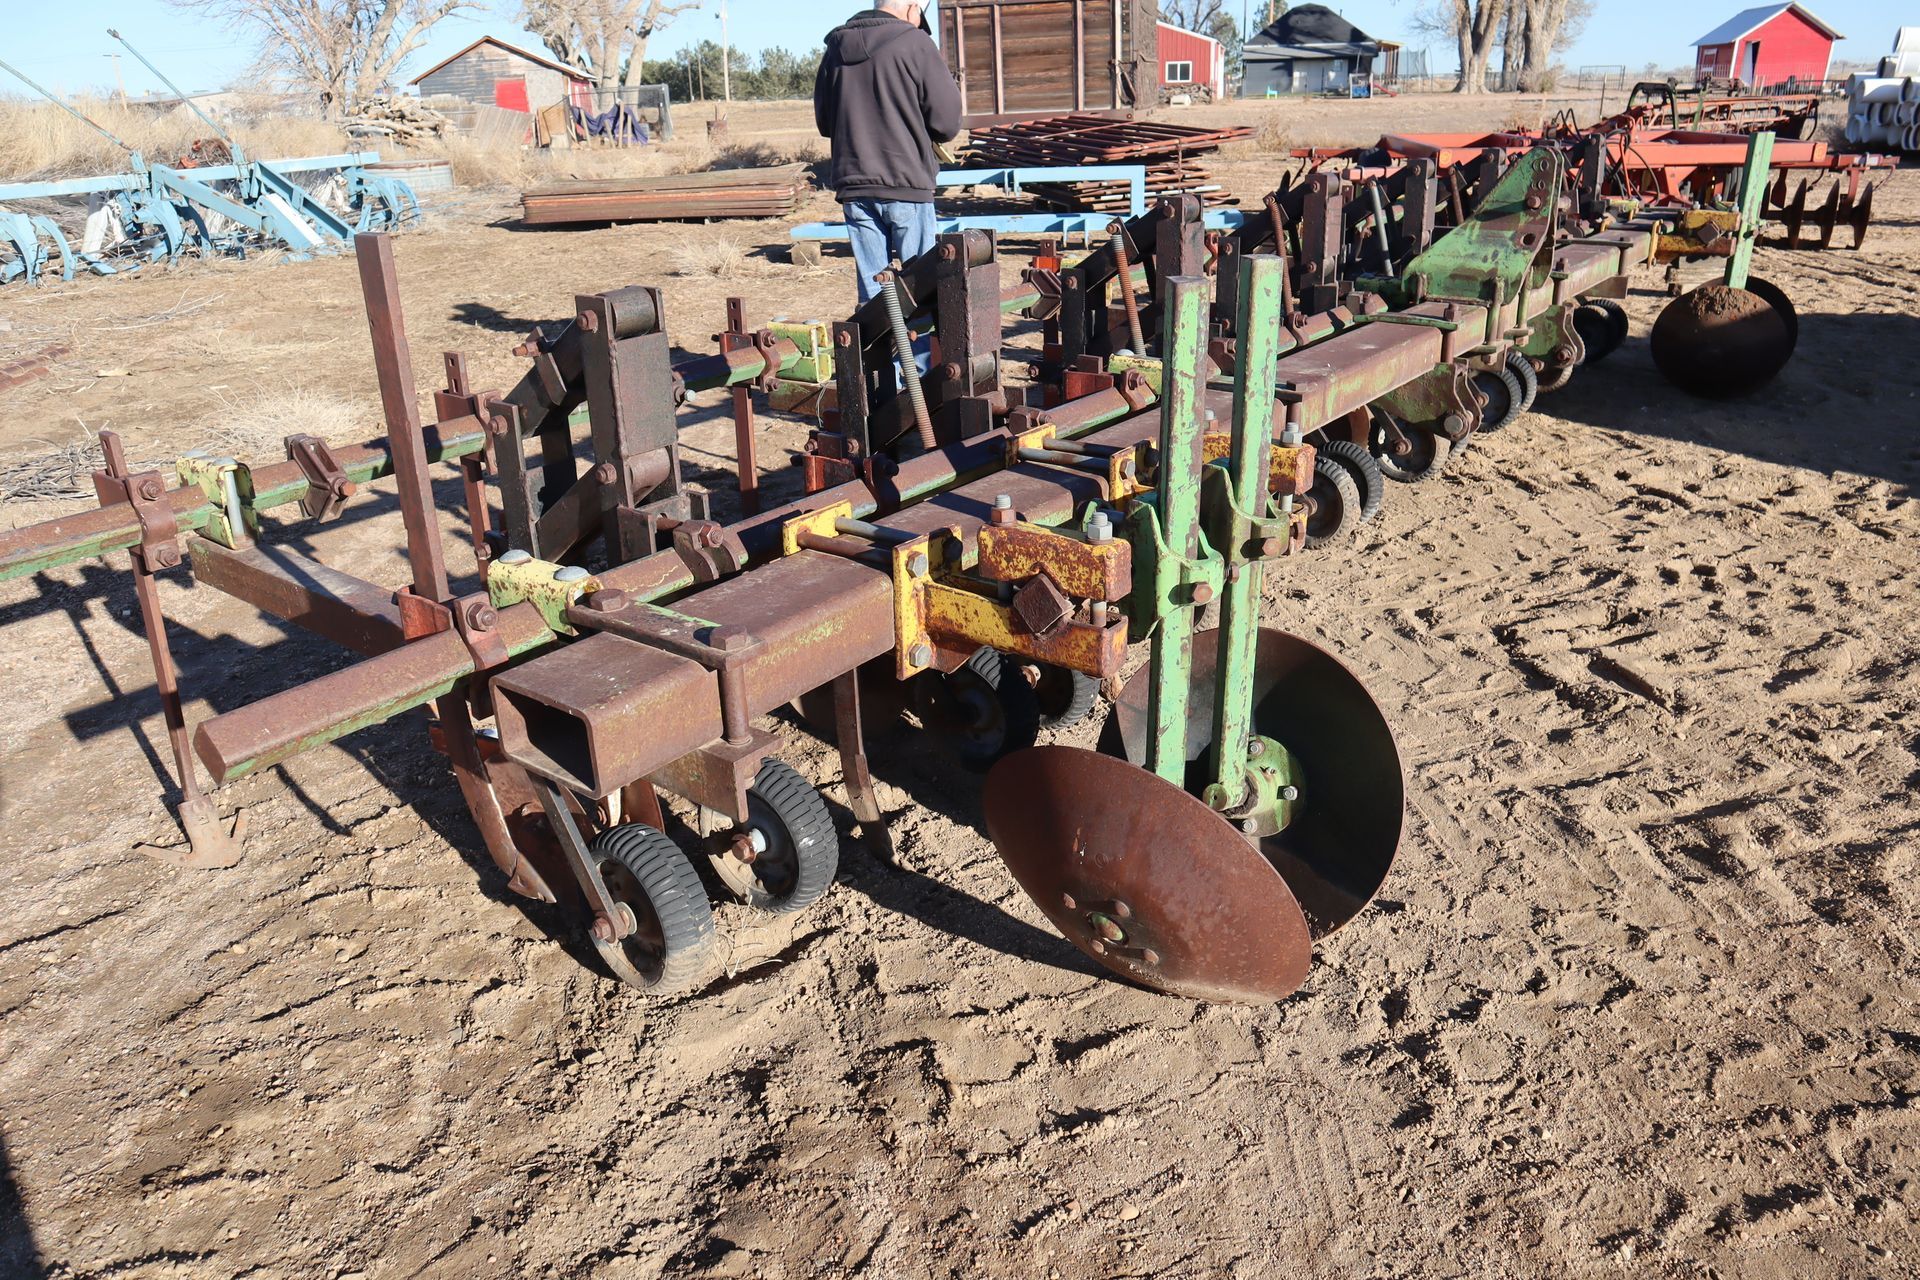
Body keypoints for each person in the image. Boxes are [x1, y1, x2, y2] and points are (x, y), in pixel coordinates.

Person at [813, 3, 963, 306]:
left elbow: (825, 123)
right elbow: (947, 123)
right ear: (911, 7)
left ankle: (876, 354)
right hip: (906, 182)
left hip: (855, 186)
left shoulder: (835, 50)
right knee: (919, 292)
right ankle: (915, 356)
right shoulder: (916, 43)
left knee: (873, 298)